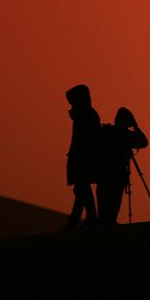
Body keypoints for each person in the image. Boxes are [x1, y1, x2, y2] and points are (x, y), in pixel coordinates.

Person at [96, 107, 149, 225]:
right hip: (117, 174)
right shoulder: (126, 135)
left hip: (103, 173)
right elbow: (144, 142)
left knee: (103, 206)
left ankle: (103, 226)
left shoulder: (107, 131)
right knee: (113, 204)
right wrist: (136, 127)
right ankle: (109, 224)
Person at [64, 84, 100, 230]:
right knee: (80, 189)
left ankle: (90, 218)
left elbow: (86, 140)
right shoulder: (86, 114)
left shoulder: (87, 115)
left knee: (81, 188)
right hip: (80, 156)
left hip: (83, 158)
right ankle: (80, 219)